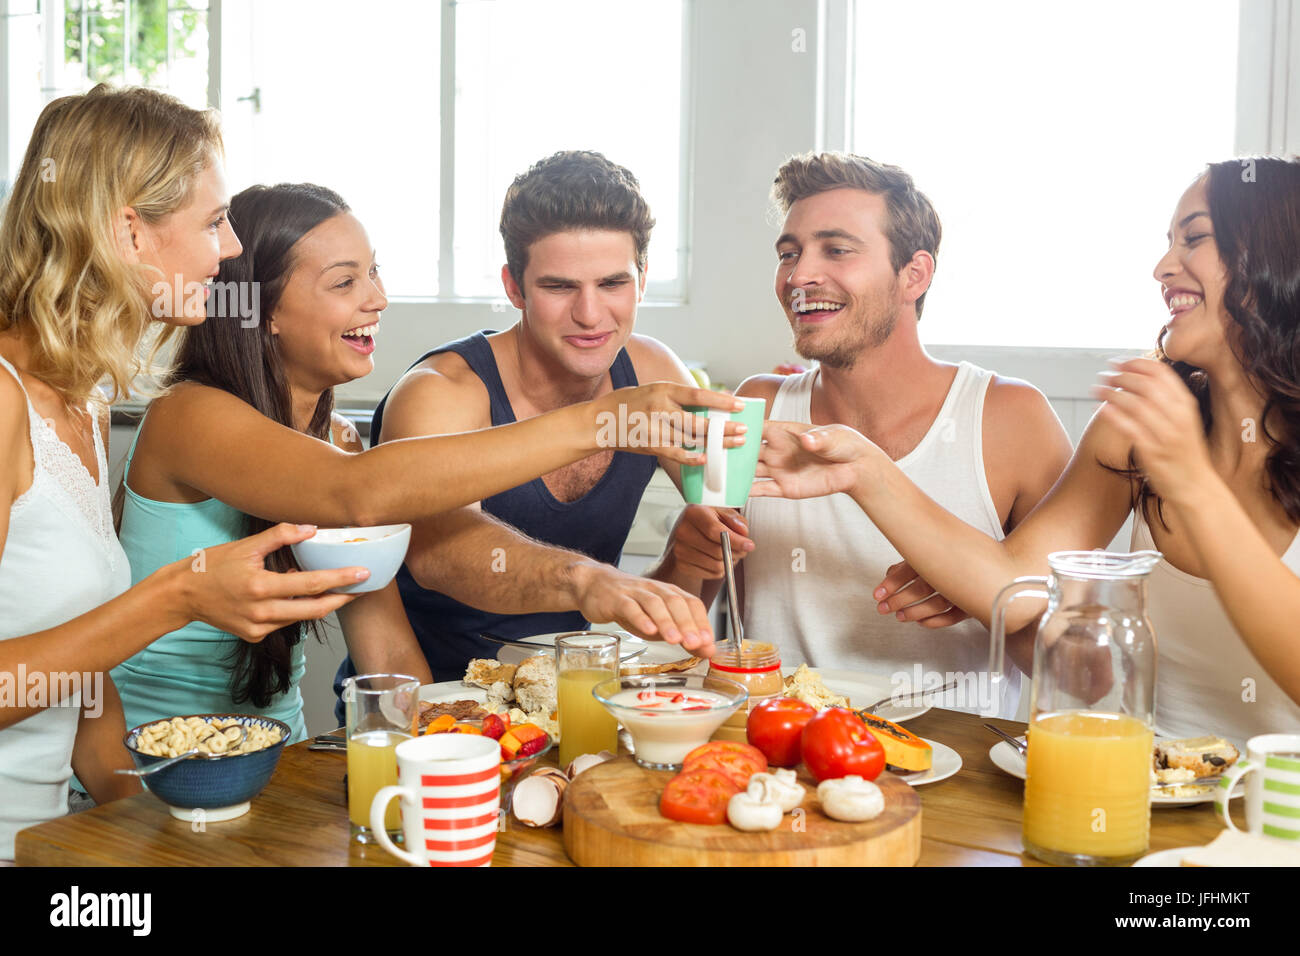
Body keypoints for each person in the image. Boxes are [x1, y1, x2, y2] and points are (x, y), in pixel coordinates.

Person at [117, 180, 745, 741]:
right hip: (146, 769)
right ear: (265, 310)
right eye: (345, 282)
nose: (379, 299)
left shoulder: (336, 439)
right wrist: (601, 424)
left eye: (374, 273)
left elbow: (383, 642)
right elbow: (359, 496)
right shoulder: (188, 415)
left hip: (274, 752)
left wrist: (446, 747)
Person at [754, 157, 1300, 742]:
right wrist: (861, 468)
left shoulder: (1165, 446)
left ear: (1273, 256)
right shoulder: (1137, 428)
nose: (1163, 267)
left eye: (1194, 238)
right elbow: (1013, 589)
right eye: (1169, 243)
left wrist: (1192, 483)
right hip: (1149, 795)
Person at [0, 86, 367, 861]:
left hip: (47, 843)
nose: (230, 248)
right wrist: (178, 596)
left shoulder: (83, 397)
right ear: (130, 231)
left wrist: (166, 830)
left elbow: (79, 675)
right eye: (212, 221)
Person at [670, 152, 1073, 719]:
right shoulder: (754, 405)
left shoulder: (1012, 418)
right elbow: (681, 619)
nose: (799, 276)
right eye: (789, 253)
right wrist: (689, 553)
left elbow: (1078, 671)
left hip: (955, 771)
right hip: (780, 758)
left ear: (915, 274)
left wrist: (981, 593)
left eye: (836, 249)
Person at [339, 150, 736, 696]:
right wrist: (586, 579)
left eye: (613, 283)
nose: (591, 315)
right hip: (438, 704)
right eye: (559, 287)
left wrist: (686, 561)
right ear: (514, 287)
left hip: (576, 696)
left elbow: (714, 533)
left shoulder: (651, 370)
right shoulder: (440, 392)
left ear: (642, 279)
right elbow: (438, 556)